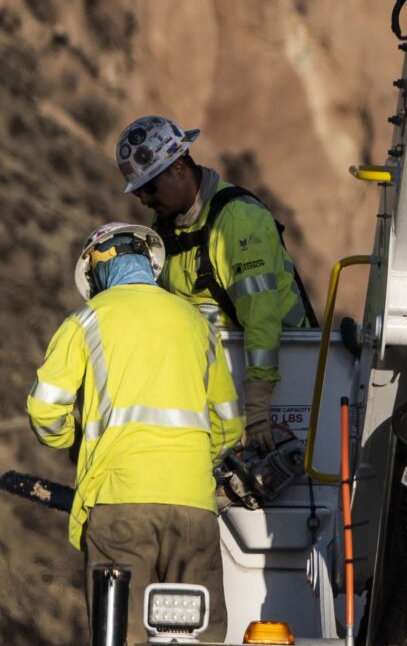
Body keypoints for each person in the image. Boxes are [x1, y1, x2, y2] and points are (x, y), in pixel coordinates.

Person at [27, 223, 240, 646]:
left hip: (120, 504)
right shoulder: (195, 323)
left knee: (122, 644)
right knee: (198, 644)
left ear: (99, 268)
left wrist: (75, 441)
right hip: (193, 508)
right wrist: (189, 464)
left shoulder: (87, 321)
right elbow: (229, 423)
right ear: (150, 265)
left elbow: (44, 410)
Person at [116, 116, 309, 445]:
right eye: (138, 193)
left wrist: (259, 408)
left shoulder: (238, 221)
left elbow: (261, 319)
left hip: (283, 373)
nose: (145, 199)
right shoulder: (165, 225)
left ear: (179, 167)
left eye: (150, 187)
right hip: (213, 378)